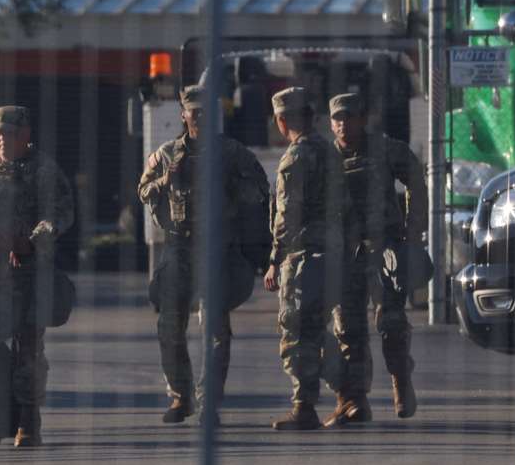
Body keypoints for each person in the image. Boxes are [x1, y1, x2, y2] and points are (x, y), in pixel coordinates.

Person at [138, 85, 268, 426]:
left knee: (215, 330)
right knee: (169, 325)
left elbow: (259, 191)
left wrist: (225, 185)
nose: (199, 117)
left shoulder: (232, 153)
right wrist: (167, 180)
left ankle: (209, 402)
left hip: (217, 249)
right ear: (183, 115)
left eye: (205, 111)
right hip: (179, 246)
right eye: (193, 111)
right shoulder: (167, 153)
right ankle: (180, 397)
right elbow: (143, 190)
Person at [325, 92, 425, 425]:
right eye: (337, 119)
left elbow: (416, 179)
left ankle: (400, 380)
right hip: (344, 254)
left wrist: (413, 231)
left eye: (349, 117)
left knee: (391, 323)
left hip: (385, 251)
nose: (343, 124)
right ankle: (355, 401)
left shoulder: (384, 149)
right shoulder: (324, 156)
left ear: (362, 118)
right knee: (348, 329)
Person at [0, 105, 74, 447]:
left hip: (31, 272)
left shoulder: (44, 170)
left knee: (29, 347)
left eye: (10, 133)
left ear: (26, 135)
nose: (3, 140)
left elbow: (61, 213)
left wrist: (32, 241)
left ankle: (28, 417)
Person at [263, 87, 350, 431]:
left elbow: (288, 214)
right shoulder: (330, 152)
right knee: (315, 330)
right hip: (334, 253)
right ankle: (349, 389)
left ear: (282, 121)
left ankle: (304, 407)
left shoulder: (295, 158)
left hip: (304, 257)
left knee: (295, 332)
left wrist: (274, 259)